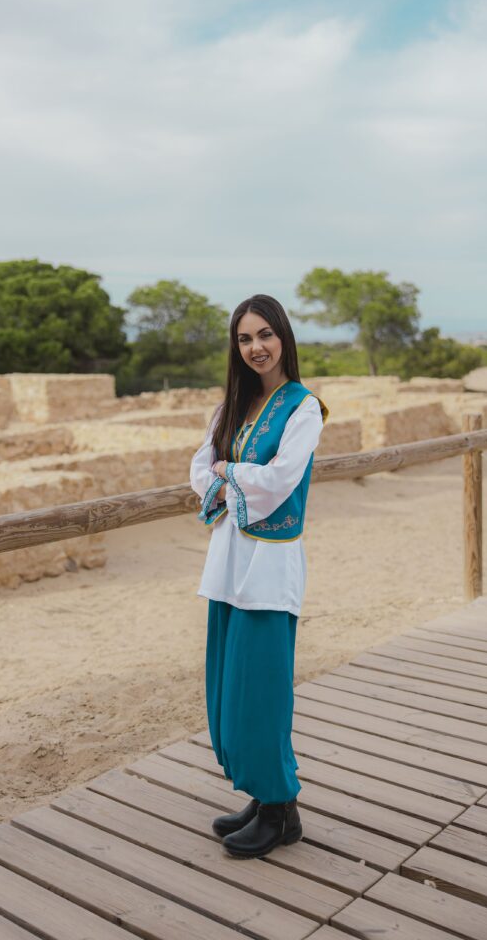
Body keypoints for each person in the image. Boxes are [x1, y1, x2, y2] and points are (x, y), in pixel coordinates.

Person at [189, 293, 328, 859]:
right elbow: (198, 470)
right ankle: (270, 803)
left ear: (284, 337)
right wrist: (226, 474)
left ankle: (279, 808)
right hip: (228, 566)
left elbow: (279, 481)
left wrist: (226, 473)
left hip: (269, 569)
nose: (256, 348)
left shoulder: (304, 408)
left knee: (262, 692)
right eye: (245, 338)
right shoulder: (233, 407)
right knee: (231, 689)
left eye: (265, 335)